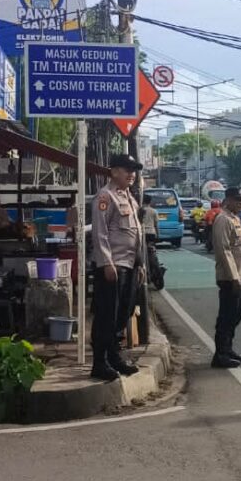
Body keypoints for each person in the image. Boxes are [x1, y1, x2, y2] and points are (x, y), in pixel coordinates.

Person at [90, 153, 145, 380]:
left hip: (130, 264)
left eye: (133, 170)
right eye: (126, 169)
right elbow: (100, 232)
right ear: (114, 171)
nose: (131, 174)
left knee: (123, 313)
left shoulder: (129, 198)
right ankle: (99, 362)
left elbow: (137, 233)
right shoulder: (106, 196)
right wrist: (106, 262)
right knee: (106, 316)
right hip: (113, 266)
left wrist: (141, 263)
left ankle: (115, 357)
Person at [211, 186, 241, 369]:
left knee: (236, 313)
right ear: (228, 200)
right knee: (227, 315)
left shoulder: (235, 218)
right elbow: (223, 250)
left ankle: (228, 349)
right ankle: (220, 354)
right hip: (230, 278)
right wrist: (234, 277)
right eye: (238, 200)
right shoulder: (223, 219)